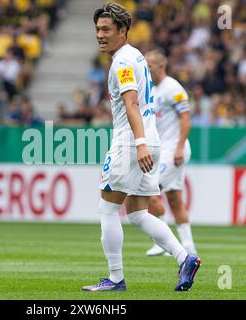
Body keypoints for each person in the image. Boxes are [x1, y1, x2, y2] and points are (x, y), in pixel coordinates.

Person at [82, 3, 200, 292]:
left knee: (107, 209)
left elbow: (131, 102)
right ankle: (185, 257)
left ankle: (115, 278)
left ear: (123, 31)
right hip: (151, 140)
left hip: (132, 142)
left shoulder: (122, 61)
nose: (100, 34)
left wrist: (139, 143)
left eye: (107, 29)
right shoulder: (135, 55)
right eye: (98, 29)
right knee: (136, 212)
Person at [144, 49, 197, 257]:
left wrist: (179, 147)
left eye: (149, 66)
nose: (146, 70)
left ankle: (162, 240)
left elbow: (185, 118)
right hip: (163, 149)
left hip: (174, 148)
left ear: (161, 66)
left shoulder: (173, 88)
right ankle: (189, 246)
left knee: (148, 189)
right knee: (174, 199)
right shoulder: (152, 90)